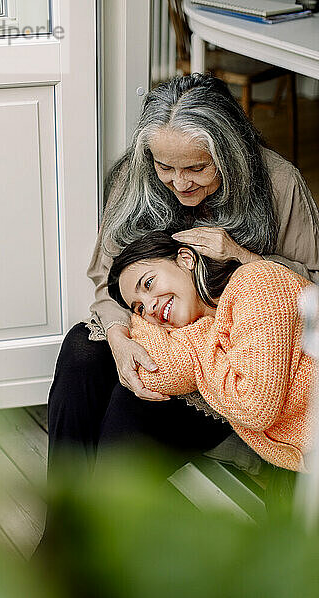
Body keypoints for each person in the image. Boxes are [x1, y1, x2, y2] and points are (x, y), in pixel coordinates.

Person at [48, 73, 319, 474]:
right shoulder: (134, 177)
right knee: (82, 349)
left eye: (196, 167)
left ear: (229, 153)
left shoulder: (278, 183)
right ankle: (62, 529)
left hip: (227, 360)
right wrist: (120, 337)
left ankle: (108, 524)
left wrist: (240, 255)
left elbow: (310, 290)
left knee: (133, 403)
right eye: (164, 167)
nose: (179, 182)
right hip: (154, 337)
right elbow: (108, 280)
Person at [108, 230, 314, 472]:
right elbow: (161, 373)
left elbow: (254, 408)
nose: (150, 306)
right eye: (139, 308)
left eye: (149, 283)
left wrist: (195, 336)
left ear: (186, 259)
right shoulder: (209, 325)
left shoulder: (257, 284)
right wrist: (135, 323)